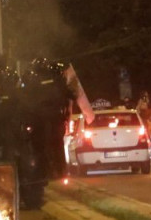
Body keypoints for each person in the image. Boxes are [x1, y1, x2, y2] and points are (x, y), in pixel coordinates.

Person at [15, 57, 94, 207]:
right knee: (53, 146)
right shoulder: (56, 80)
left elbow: (20, 101)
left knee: (38, 148)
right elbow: (72, 93)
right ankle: (58, 171)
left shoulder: (31, 81)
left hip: (37, 125)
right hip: (53, 123)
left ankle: (55, 171)